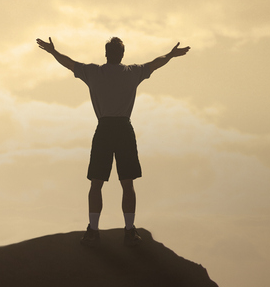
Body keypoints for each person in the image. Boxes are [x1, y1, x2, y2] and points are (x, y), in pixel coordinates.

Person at [37, 35, 190, 244]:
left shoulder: (94, 72)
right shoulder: (132, 72)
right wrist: (171, 55)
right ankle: (128, 230)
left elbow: (69, 63)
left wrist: (53, 51)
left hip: (105, 128)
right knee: (126, 182)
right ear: (122, 55)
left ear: (106, 54)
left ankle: (94, 230)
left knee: (97, 182)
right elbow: (156, 63)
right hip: (122, 128)